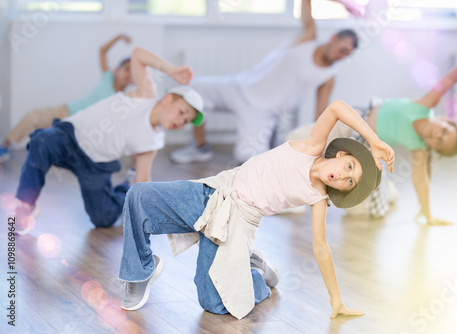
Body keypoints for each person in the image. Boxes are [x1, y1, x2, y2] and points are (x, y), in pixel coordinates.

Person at [118, 99, 395, 320]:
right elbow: (336, 107)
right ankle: (140, 271)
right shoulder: (310, 147)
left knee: (213, 303)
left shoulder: (318, 197)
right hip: (214, 192)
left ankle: (256, 272)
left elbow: (321, 248)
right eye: (349, 168)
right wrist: (373, 140)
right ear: (342, 155)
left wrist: (337, 300)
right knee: (138, 195)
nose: (343, 177)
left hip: (235, 225)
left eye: (350, 182)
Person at [12, 47, 204, 235]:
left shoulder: (154, 141)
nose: (181, 121)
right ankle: (25, 205)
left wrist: (149, 215)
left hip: (97, 164)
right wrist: (171, 70)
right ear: (168, 99)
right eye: (182, 112)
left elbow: (143, 179)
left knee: (102, 219)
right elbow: (138, 54)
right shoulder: (146, 94)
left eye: (186, 121)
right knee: (41, 140)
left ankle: (124, 188)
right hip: (70, 138)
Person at [288, 46, 457, 223]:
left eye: (439, 142)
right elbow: (448, 81)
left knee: (365, 212)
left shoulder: (419, 148)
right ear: (445, 121)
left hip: (364, 148)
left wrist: (427, 214)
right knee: (298, 138)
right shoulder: (424, 106)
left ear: (434, 148)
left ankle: (386, 190)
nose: (436, 136)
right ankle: (289, 190)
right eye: (444, 132)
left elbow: (421, 182)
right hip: (355, 120)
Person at [170, 0, 360, 164]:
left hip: (261, 111)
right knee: (192, 90)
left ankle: (271, 134)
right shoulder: (309, 37)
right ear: (334, 38)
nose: (341, 56)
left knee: (247, 159)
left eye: (347, 55)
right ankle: (200, 147)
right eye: (342, 49)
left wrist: (317, 148)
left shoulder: (328, 76)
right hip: (238, 86)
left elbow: (319, 115)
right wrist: (344, 3)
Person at [0, 34, 134, 163]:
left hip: (79, 129)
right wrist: (119, 37)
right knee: (33, 117)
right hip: (67, 112)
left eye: (133, 71)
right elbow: (102, 51)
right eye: (126, 68)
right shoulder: (107, 77)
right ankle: (5, 145)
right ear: (117, 70)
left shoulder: (123, 99)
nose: (129, 73)